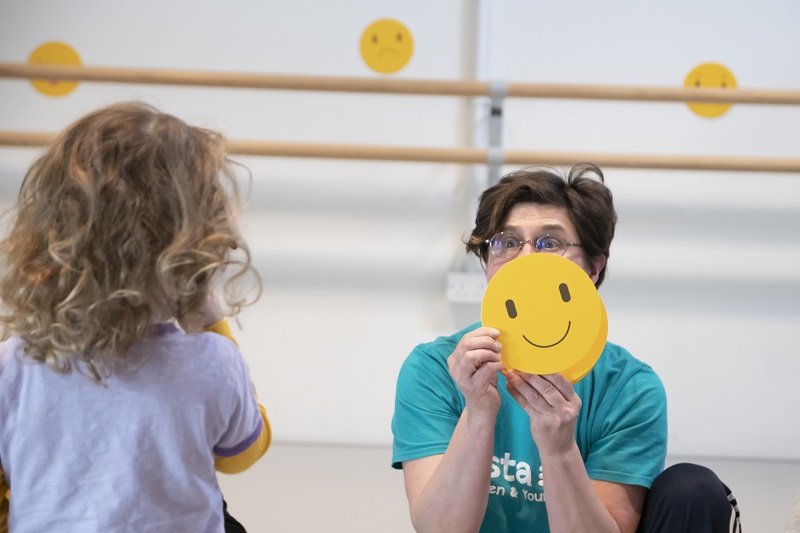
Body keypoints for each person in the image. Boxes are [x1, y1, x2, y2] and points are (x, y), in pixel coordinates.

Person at [392, 163, 740, 532]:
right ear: (487, 265)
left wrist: (558, 449)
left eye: (549, 243)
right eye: (507, 243)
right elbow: (439, 529)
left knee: (693, 488)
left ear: (593, 267)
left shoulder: (630, 387)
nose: (525, 259)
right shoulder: (436, 367)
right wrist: (478, 413)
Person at [0, 102, 270, 532]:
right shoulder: (213, 361)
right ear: (193, 255)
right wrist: (211, 323)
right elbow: (243, 454)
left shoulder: (12, 365)